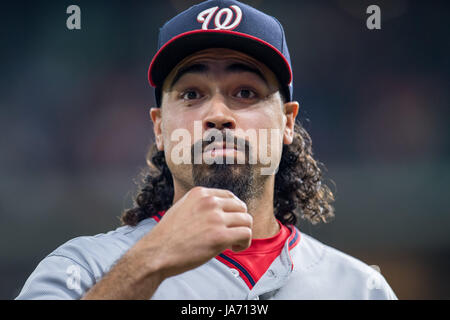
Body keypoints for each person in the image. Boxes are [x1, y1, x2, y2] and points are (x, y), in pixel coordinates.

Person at [16, 0, 397, 300]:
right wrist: (149, 263)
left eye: (245, 92)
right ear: (160, 128)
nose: (218, 114)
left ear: (286, 122)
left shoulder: (361, 289)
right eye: (192, 94)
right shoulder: (81, 269)